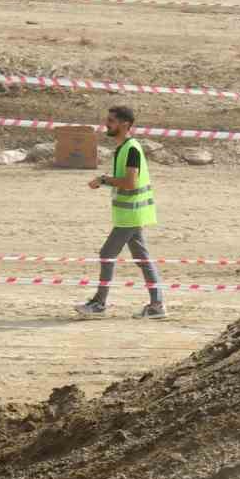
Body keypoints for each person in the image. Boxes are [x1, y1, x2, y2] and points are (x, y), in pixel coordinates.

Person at [74, 105, 167, 319]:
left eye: (112, 121)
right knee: (142, 257)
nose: (107, 124)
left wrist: (104, 180)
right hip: (131, 214)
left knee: (107, 255)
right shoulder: (125, 148)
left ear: (125, 124)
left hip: (131, 215)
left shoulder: (131, 149)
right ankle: (157, 304)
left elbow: (130, 183)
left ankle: (99, 303)